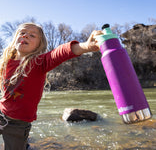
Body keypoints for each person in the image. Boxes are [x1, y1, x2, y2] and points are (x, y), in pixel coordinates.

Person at [0, 22, 102, 150]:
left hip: (18, 124)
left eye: (32, 35)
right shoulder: (6, 61)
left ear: (39, 45)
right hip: (1, 112)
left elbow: (60, 52)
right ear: (15, 37)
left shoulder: (39, 62)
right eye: (22, 33)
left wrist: (85, 46)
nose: (25, 36)